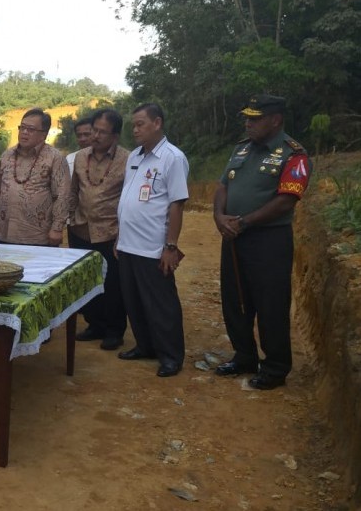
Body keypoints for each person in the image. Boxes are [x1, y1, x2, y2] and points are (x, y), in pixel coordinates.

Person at [213, 95, 311, 390]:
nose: (248, 123)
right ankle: (244, 356)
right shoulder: (241, 150)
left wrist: (244, 222)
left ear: (275, 120)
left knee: (271, 304)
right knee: (235, 300)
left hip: (269, 240)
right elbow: (223, 185)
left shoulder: (294, 155)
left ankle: (276, 367)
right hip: (233, 237)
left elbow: (286, 201)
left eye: (255, 118)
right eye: (247, 118)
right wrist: (219, 216)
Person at [116, 103, 189, 378]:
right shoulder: (135, 156)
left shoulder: (172, 158)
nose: (134, 130)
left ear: (157, 123)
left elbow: (176, 204)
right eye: (133, 125)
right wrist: (120, 237)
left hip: (153, 247)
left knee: (161, 304)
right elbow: (128, 198)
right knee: (134, 302)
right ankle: (145, 346)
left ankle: (171, 356)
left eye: (140, 124)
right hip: (127, 244)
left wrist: (170, 246)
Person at [67, 108, 129, 351]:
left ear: (115, 135)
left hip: (110, 231)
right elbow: (73, 191)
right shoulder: (81, 157)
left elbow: (128, 198)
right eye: (94, 130)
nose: (96, 136)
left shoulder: (128, 159)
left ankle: (114, 330)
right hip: (80, 230)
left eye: (103, 132)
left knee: (112, 283)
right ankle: (94, 324)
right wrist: (69, 217)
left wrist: (123, 234)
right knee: (86, 281)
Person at [0, 108, 70, 246]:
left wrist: (57, 228)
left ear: (43, 134)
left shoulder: (55, 158)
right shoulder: (7, 155)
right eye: (22, 128)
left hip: (38, 237)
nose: (24, 132)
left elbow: (62, 195)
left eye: (31, 129)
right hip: (5, 234)